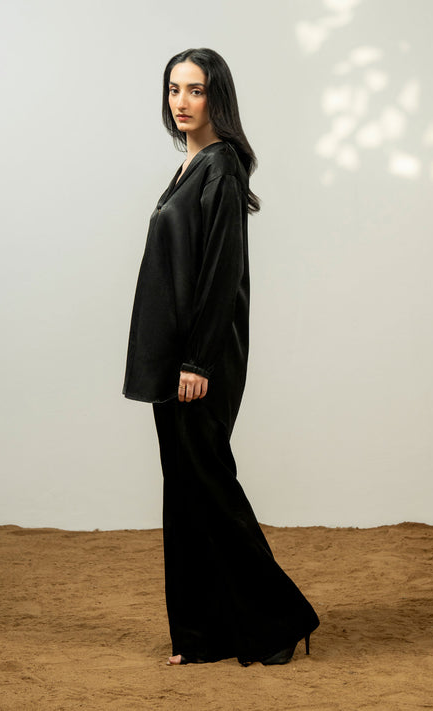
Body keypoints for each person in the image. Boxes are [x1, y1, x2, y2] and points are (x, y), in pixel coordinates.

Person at [123, 48, 319, 666]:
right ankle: (202, 636)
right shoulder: (188, 166)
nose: (182, 101)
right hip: (173, 357)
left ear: (218, 97)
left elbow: (220, 272)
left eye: (196, 90)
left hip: (199, 361)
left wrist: (199, 362)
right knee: (184, 494)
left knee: (209, 488)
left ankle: (282, 620)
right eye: (174, 89)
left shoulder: (222, 167)